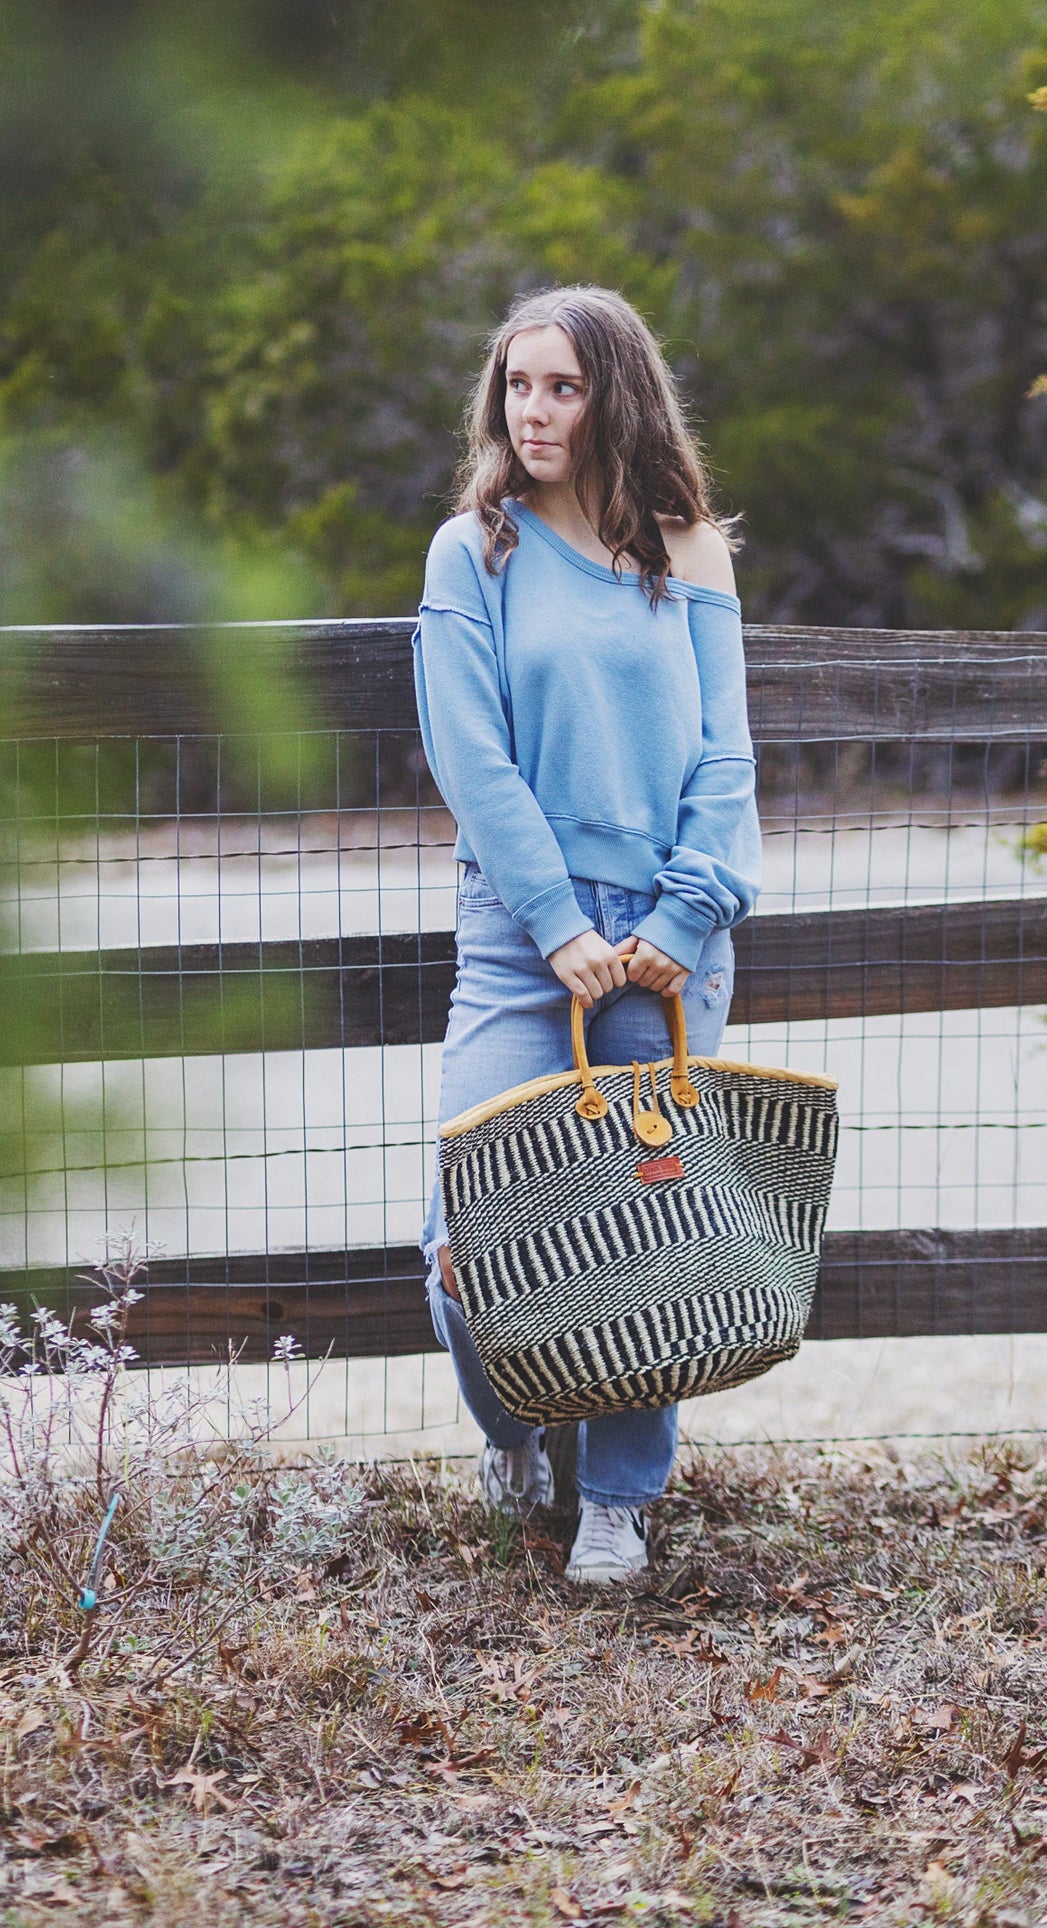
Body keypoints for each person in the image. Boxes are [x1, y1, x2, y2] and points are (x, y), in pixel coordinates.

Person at [411, 285, 762, 1585]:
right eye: (518, 385)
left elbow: (725, 756)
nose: (535, 410)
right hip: (522, 947)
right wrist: (556, 923)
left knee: (645, 1244)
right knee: (463, 1243)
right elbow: (472, 757)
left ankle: (618, 1500)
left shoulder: (688, 550)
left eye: (562, 386)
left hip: (668, 953)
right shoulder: (475, 552)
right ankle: (512, 1427)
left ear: (614, 395)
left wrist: (685, 913)